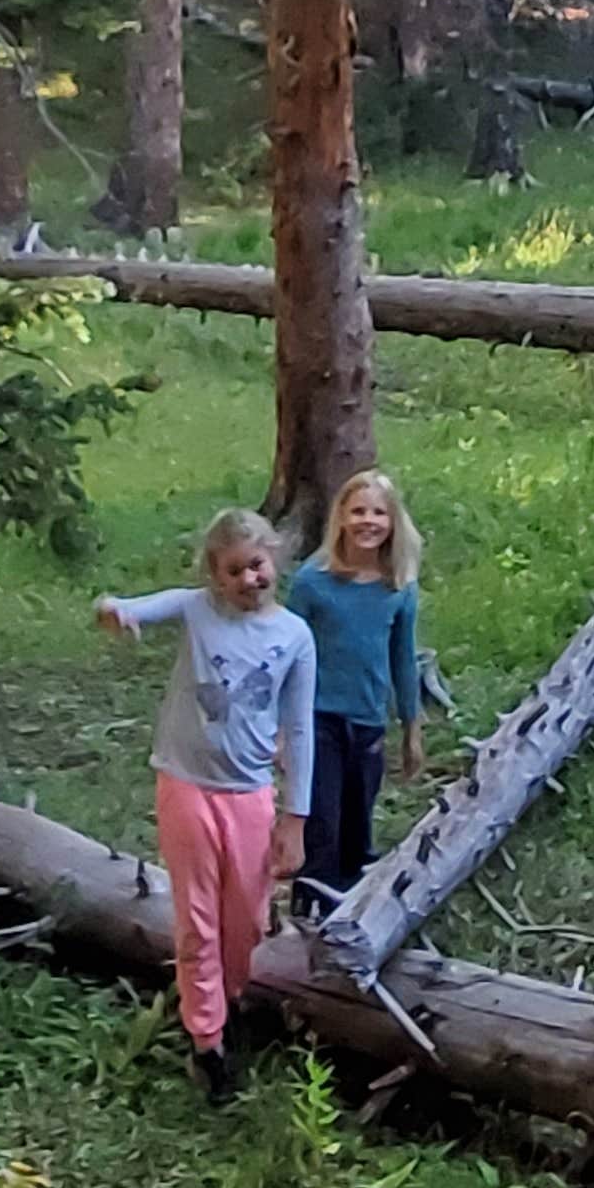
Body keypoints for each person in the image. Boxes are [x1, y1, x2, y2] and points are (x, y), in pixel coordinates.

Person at [95, 510, 313, 1104]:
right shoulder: (197, 609)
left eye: (257, 565)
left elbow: (299, 728)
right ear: (215, 576)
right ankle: (207, 1039)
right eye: (233, 571)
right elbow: (144, 606)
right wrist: (117, 610)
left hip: (250, 794)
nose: (248, 579)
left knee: (245, 919)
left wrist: (296, 816)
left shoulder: (295, 636)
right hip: (187, 786)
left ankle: (231, 996)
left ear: (274, 560)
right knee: (197, 920)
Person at [285, 468, 424, 908]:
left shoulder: (398, 586)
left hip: (367, 721)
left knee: (357, 822)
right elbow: (283, 653)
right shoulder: (313, 581)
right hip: (317, 719)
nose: (368, 521)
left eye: (378, 513)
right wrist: (279, 728)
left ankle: (351, 909)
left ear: (393, 522)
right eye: (358, 511)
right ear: (341, 517)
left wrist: (412, 728)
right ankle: (310, 908)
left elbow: (403, 658)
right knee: (321, 820)